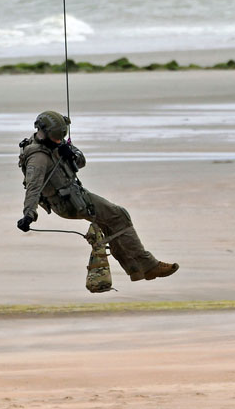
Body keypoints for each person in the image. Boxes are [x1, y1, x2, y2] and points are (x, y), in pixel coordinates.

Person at [17, 110, 179, 283]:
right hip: (67, 203)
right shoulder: (38, 158)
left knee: (111, 223)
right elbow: (33, 188)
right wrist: (29, 214)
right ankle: (147, 265)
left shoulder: (55, 143)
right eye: (56, 137)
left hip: (76, 194)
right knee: (118, 215)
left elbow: (81, 162)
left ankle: (137, 269)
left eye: (60, 137)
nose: (59, 140)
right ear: (43, 132)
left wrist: (71, 154)